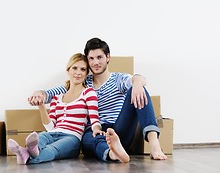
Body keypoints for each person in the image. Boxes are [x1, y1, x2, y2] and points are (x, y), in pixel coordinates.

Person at [28, 38, 167, 162]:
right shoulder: (82, 82)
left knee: (139, 89)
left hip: (118, 129)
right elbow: (53, 93)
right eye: (91, 59)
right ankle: (112, 153)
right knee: (87, 139)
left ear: (108, 57)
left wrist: (137, 83)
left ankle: (154, 144)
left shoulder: (118, 79)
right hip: (94, 132)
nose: (95, 62)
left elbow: (140, 79)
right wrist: (39, 93)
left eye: (99, 57)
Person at [8, 53, 107, 165]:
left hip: (72, 137)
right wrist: (41, 106)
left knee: (52, 150)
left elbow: (94, 119)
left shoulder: (88, 93)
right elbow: (50, 127)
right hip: (53, 133)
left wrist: (96, 130)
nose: (78, 73)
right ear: (68, 71)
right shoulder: (57, 97)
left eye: (83, 69)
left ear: (86, 73)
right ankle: (26, 153)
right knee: (40, 137)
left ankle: (24, 154)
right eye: (75, 68)